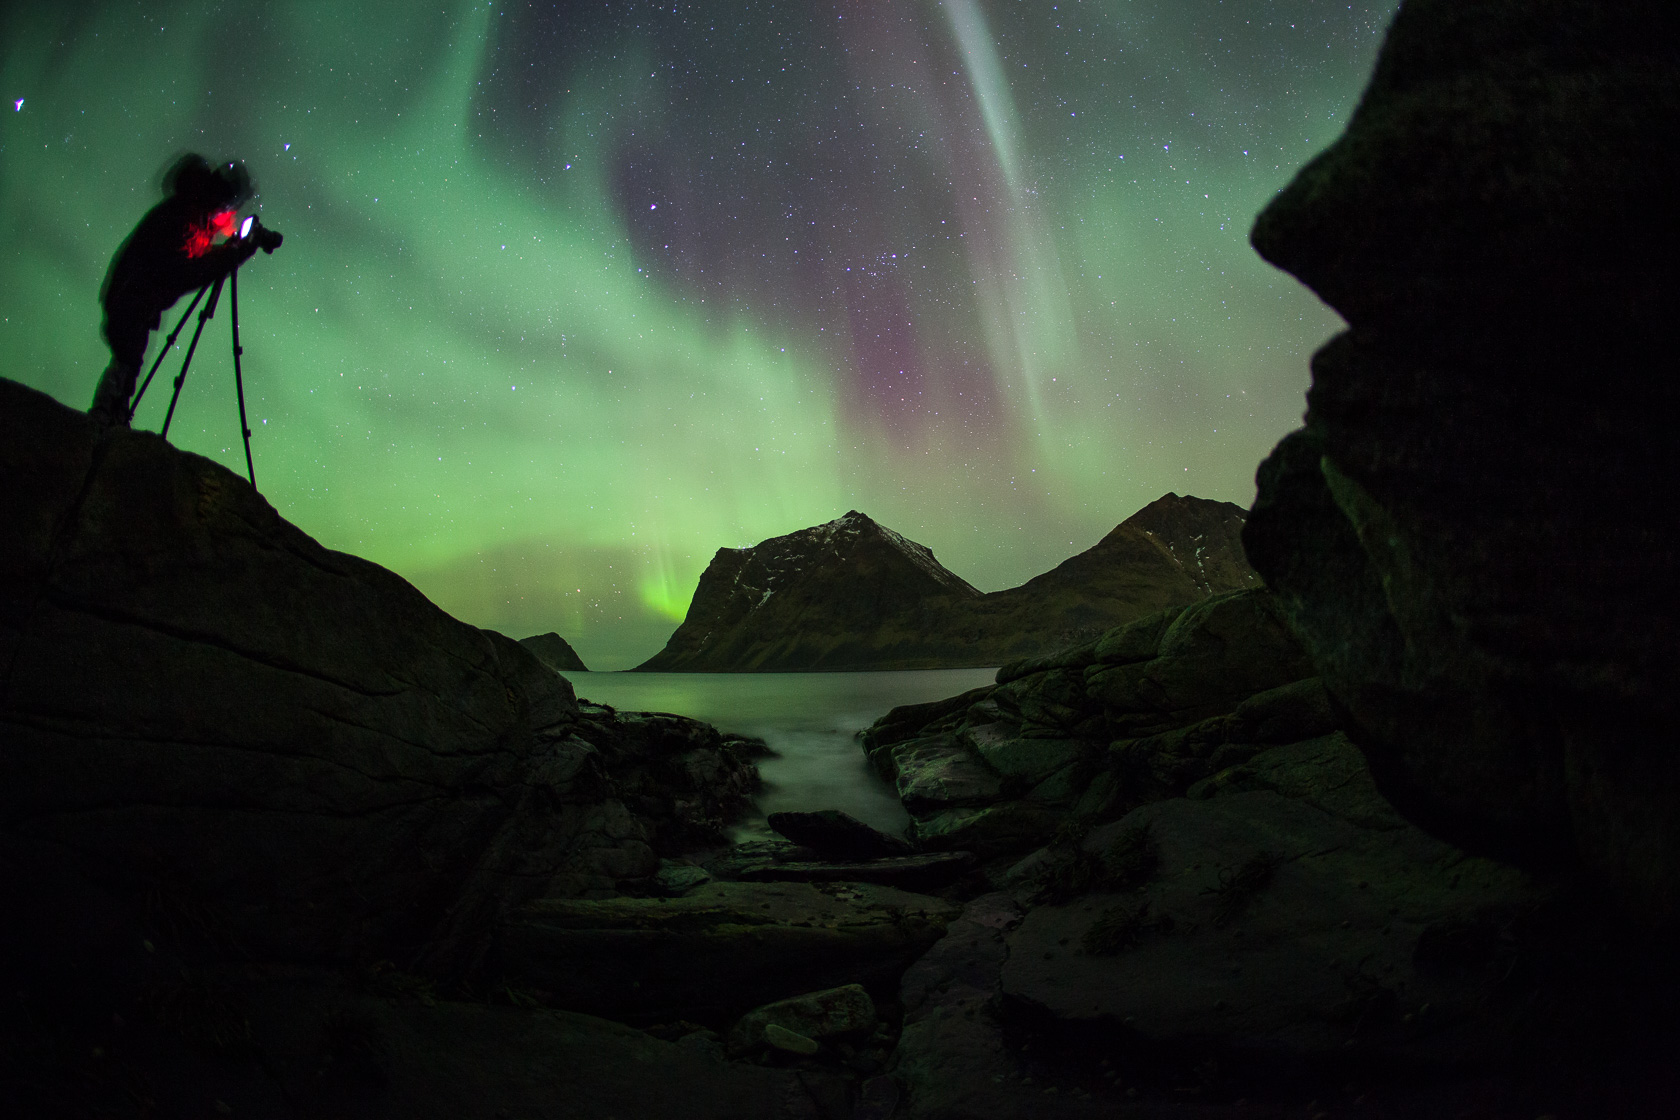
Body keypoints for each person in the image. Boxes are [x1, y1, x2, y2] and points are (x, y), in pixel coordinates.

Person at [88, 154, 261, 428]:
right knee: (127, 359)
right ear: (223, 196)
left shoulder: (192, 212)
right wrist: (230, 257)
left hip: (135, 298)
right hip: (132, 297)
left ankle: (112, 416)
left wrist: (231, 251)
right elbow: (183, 272)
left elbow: (192, 262)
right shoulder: (187, 216)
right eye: (231, 203)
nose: (228, 212)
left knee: (129, 360)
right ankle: (103, 418)